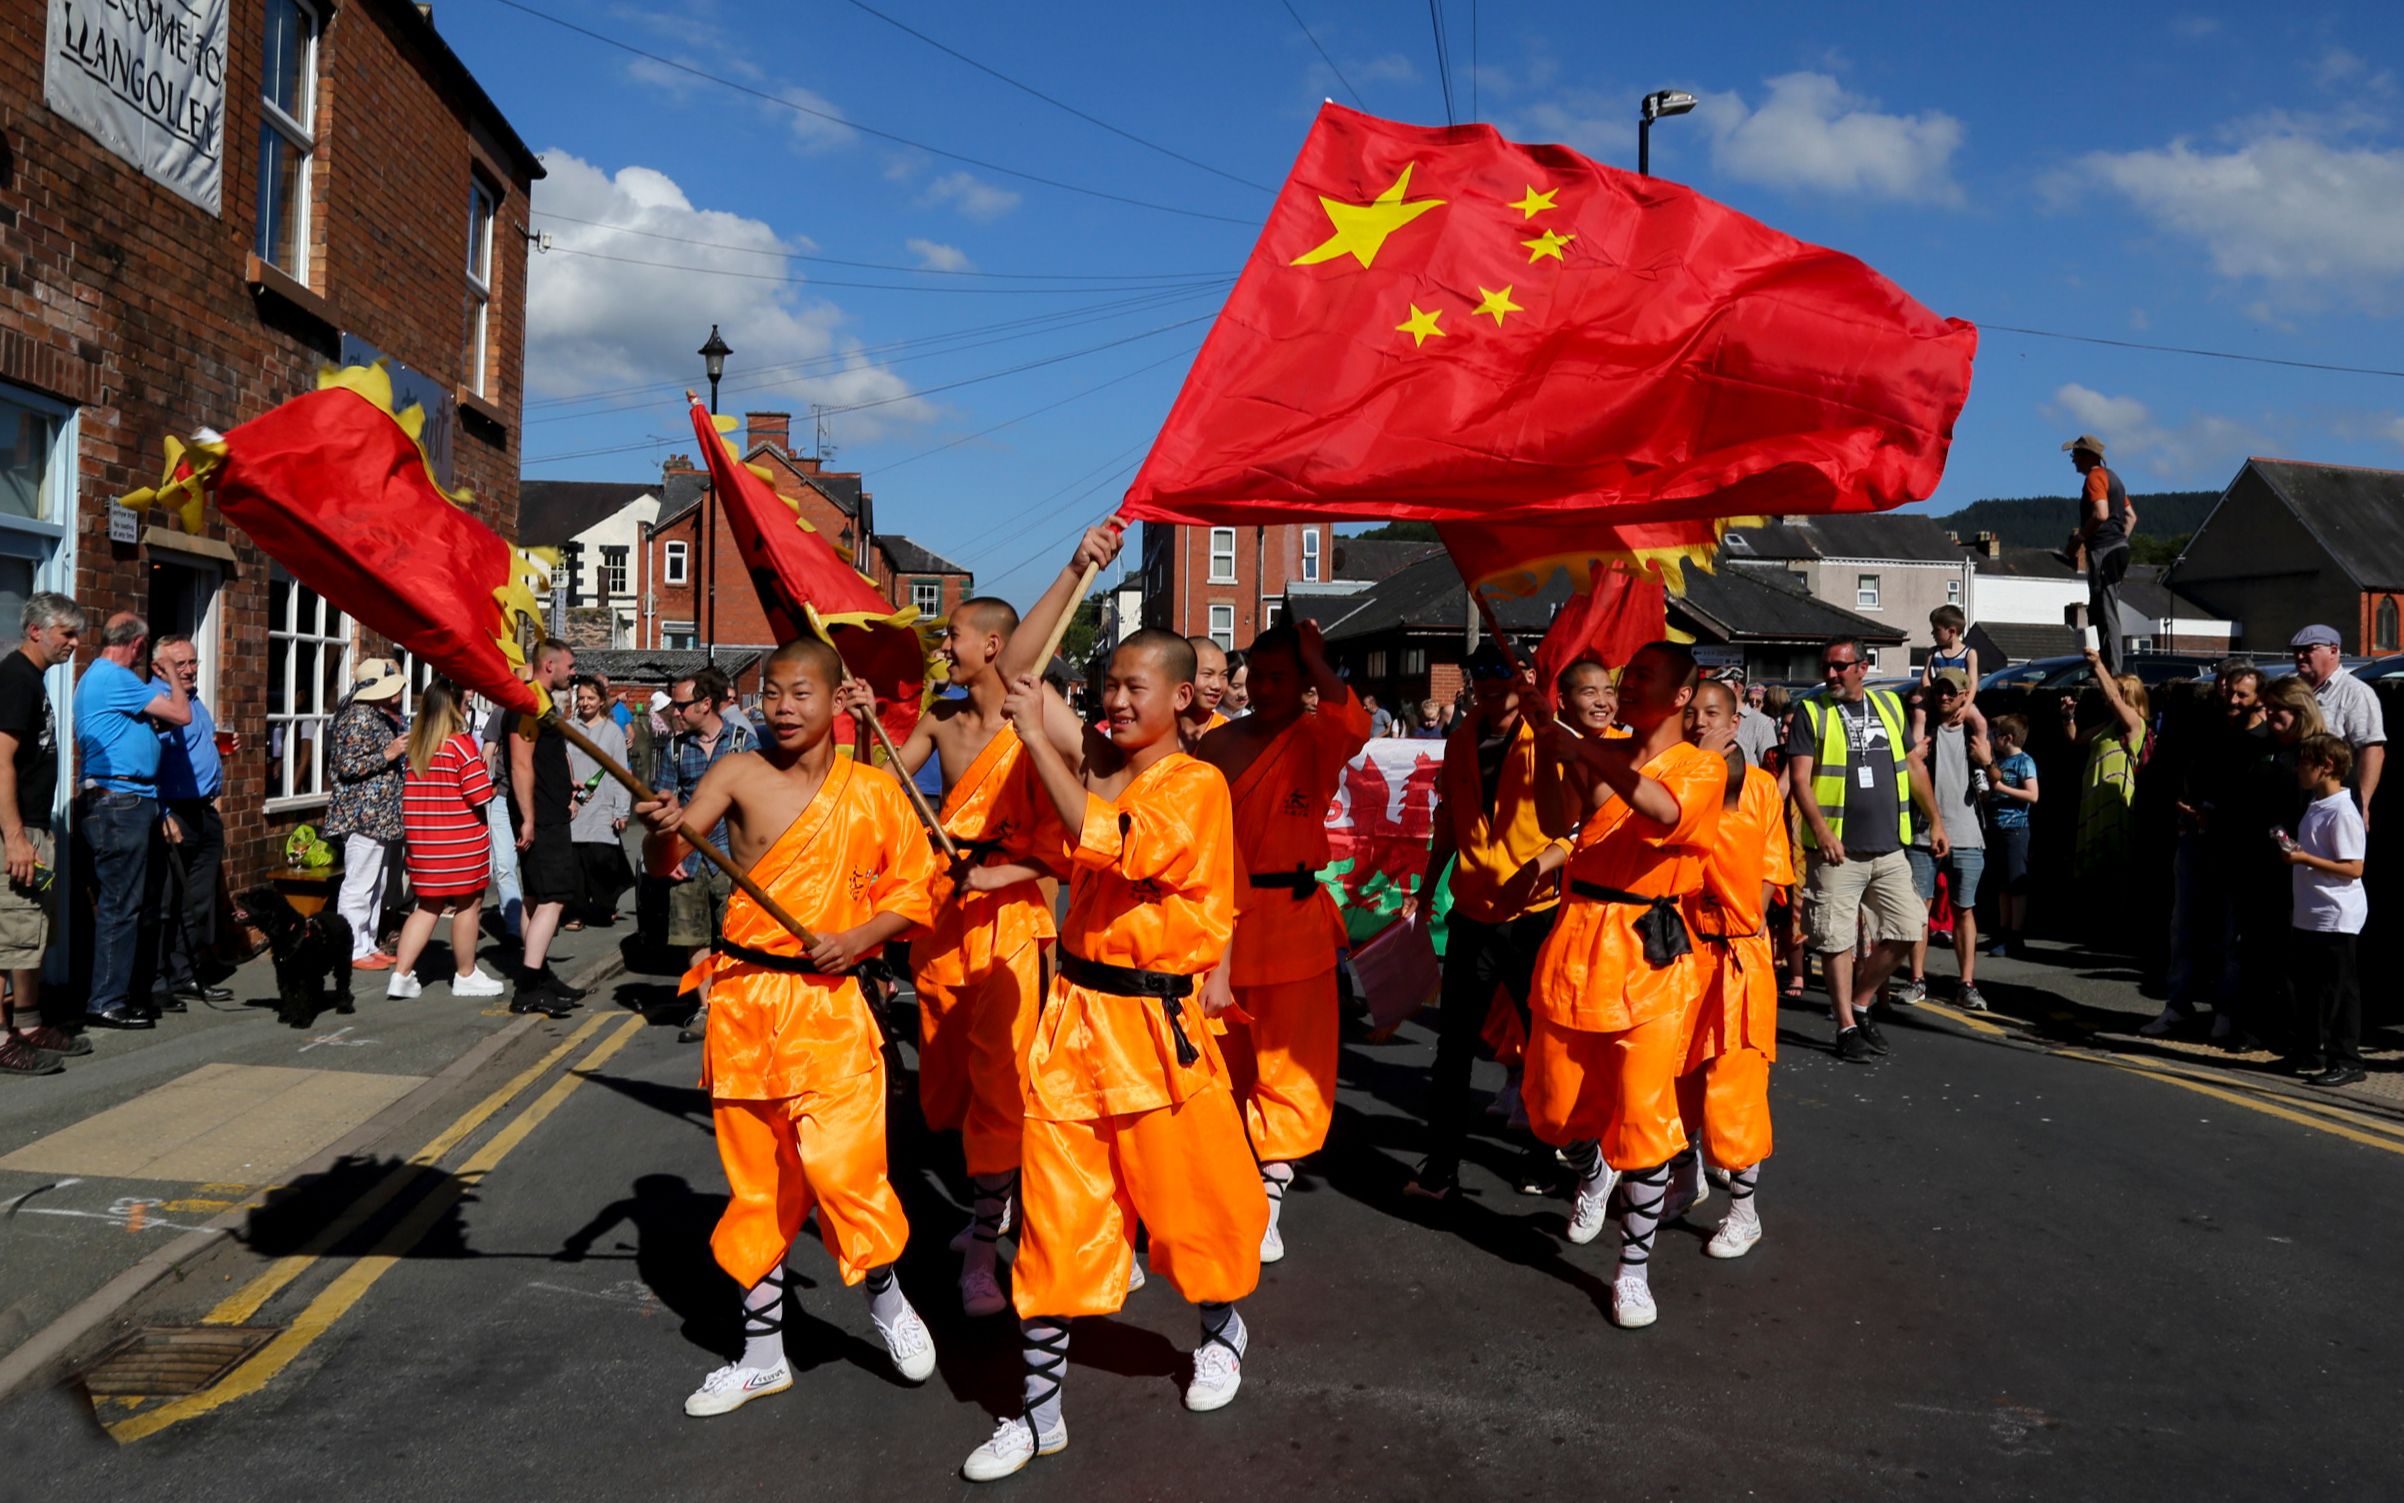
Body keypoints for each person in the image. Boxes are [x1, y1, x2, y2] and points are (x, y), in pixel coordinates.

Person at [959, 529, 1265, 1482]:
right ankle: (1036, 1408)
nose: (1116, 699)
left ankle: (1220, 1329)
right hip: (1074, 1022)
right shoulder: (1097, 756)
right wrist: (1080, 565)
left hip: (1158, 1033)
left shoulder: (1194, 785)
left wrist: (1032, 742)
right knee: (1055, 1218)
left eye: (1139, 686)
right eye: (1110, 684)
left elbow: (1100, 838)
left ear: (1186, 696)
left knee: (1187, 1215)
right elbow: (1014, 668)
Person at [634, 638, 941, 1421]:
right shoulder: (737, 771)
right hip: (745, 1001)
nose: (783, 707)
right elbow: (670, 855)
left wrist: (861, 937)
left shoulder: (872, 791)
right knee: (759, 1186)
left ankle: (886, 1296)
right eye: (772, 692)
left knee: (842, 1168)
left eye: (802, 693)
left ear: (838, 700)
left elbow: (916, 891)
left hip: (832, 1002)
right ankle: (762, 1354)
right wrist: (664, 827)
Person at [846, 593, 1080, 1319]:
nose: (941, 647)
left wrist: (1004, 874)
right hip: (945, 918)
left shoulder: (1036, 721)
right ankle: (999, 1194)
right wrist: (862, 726)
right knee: (945, 1085)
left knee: (1001, 1083)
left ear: (992, 646)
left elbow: (1080, 795)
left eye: (951, 636)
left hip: (1011, 918)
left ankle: (984, 1247)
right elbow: (880, 787)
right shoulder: (942, 720)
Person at [1519, 643, 1723, 1330]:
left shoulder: (1701, 765)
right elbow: (1557, 820)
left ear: (1684, 693)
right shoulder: (1599, 752)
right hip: (1575, 942)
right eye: (1621, 678)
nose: (1625, 688)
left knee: (1645, 1121)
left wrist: (1578, 742)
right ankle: (1592, 1165)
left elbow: (1661, 811)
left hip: (1649, 957)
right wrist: (1547, 744)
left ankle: (1631, 1269)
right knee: (1550, 1109)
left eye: (1641, 678)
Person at [1193, 621, 1370, 1263]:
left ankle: (1271, 1188)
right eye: (1257, 677)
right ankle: (1233, 1174)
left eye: (1280, 678)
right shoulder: (1216, 746)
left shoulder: (1316, 737)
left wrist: (1318, 661)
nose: (1264, 689)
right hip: (1224, 924)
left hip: (1292, 915)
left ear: (1302, 686)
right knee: (1226, 1057)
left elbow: (1354, 723)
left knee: (1290, 1061)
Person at [1404, 643, 1575, 1200]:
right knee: (1453, 1048)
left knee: (1544, 1044)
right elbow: (1450, 821)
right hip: (1473, 913)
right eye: (1480, 673)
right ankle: (1441, 1166)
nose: (1490, 683)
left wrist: (1542, 870)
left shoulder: (1550, 736)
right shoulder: (1459, 738)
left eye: (1502, 671)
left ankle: (1543, 1155)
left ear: (1525, 675)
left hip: (1533, 916)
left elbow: (1580, 825)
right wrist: (1427, 887)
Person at [1674, 678, 1792, 1261]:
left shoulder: (1762, 788)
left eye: (1711, 712)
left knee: (1737, 1083)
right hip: (1679, 950)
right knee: (1676, 1073)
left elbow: (1772, 870)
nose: (1699, 722)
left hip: (1738, 952)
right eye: (1690, 711)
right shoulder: (1672, 781)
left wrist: (1744, 920)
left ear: (1737, 717)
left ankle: (1744, 1210)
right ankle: (1683, 1174)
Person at [1785, 637, 1944, 1063]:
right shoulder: (1811, 711)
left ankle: (1860, 1001)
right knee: (1835, 940)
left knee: (1910, 927)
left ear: (1863, 666)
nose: (1831, 674)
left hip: (1889, 846)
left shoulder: (1890, 707)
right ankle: (1846, 1026)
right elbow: (1800, 780)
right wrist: (1822, 832)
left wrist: (1937, 820)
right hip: (1837, 850)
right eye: (1826, 667)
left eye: (1840, 666)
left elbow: (1913, 766)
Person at [74, 612, 191, 1030]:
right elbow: (183, 713)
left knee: (128, 904)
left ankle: (123, 993)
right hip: (120, 804)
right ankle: (105, 999)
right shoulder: (116, 677)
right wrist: (172, 673)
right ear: (140, 647)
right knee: (121, 906)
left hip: (127, 800)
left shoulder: (101, 678)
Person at [2146, 663, 2263, 1035]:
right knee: (2183, 927)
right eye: (2227, 691)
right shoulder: (2208, 727)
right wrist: (2184, 806)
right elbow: (2183, 772)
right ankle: (2177, 1005)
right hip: (2195, 839)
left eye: (2242, 694)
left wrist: (2215, 812)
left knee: (2232, 934)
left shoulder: (2262, 742)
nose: (2232, 699)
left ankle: (2226, 1014)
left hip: (2236, 846)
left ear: (2258, 698)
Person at [0, 594, 83, 1073]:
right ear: (37, 631)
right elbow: (0, 760)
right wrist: (14, 837)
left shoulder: (33, 679)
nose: (73, 643)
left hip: (33, 827)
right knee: (5, 935)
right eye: (66, 634)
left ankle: (28, 1023)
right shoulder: (15, 680)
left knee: (28, 931)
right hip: (15, 831)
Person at [388, 681, 509, 1002]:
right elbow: (478, 792)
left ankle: (401, 975)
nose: (468, 708)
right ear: (452, 707)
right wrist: (491, 784)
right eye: (466, 703)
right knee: (468, 904)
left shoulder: (419, 744)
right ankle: (466, 974)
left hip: (424, 840)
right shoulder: (460, 744)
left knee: (427, 905)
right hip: (459, 840)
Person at [662, 666, 755, 1037]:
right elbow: (666, 801)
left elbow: (756, 803)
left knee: (734, 936)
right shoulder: (674, 748)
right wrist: (668, 854)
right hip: (688, 859)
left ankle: (736, 1003)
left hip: (730, 856)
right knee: (693, 938)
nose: (675, 712)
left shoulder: (741, 744)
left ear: (705, 703)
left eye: (682, 705)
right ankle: (706, 1008)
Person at [1897, 669, 1990, 1011]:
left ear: (1965, 695)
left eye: (1952, 692)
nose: (1945, 697)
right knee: (1918, 911)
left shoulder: (1974, 730)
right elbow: (1912, 752)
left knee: (1964, 910)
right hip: (1923, 833)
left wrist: (1988, 761)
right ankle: (1917, 980)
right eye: (1940, 691)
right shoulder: (1926, 732)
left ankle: (1966, 983)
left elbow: (1989, 768)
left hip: (1966, 834)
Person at [151, 635, 234, 1010]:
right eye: (178, 664)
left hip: (203, 810)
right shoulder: (154, 702)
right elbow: (145, 764)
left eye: (192, 662)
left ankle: (186, 975)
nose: (188, 670)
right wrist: (163, 814)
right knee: (165, 901)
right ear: (157, 667)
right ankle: (157, 981)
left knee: (196, 901)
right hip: (174, 813)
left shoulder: (194, 699)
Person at [2282, 734, 2367, 1087]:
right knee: (2309, 988)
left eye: (2304, 763)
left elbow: (2353, 868)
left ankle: (2346, 1058)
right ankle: (2308, 1050)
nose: (2298, 769)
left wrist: (2303, 858)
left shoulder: (2343, 812)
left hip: (2335, 915)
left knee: (2338, 991)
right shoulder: (2316, 805)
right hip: (2310, 912)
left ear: (2326, 766)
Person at [504, 640, 586, 1004]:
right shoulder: (527, 703)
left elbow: (545, 758)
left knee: (536, 897)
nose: (574, 672)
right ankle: (528, 985)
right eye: (569, 665)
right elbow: (521, 763)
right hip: (542, 814)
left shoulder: (541, 701)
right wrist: (529, 819)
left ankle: (538, 974)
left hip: (547, 808)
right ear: (549, 665)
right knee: (554, 898)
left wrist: (568, 786)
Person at [323, 658, 407, 972]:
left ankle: (367, 942)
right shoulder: (358, 716)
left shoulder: (379, 715)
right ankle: (352, 947)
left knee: (377, 883)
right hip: (362, 814)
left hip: (380, 815)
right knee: (359, 884)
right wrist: (389, 753)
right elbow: (346, 766)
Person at [2071, 650, 2149, 941]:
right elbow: (2076, 739)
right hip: (2094, 800)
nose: (2107, 696)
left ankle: (2118, 927)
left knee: (2116, 865)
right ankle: (2097, 923)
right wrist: (2068, 716)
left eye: (2114, 691)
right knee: (2096, 867)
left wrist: (2097, 664)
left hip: (2115, 803)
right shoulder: (2109, 726)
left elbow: (2115, 700)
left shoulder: (2135, 725)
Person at [2288, 624, 2385, 828]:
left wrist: (2362, 804)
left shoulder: (2355, 692)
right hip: (2290, 794)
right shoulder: (2290, 687)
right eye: (2296, 651)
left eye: (2308, 650)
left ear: (2333, 650)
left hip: (2332, 799)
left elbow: (2372, 750)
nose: (2300, 656)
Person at [2063, 433, 2136, 676]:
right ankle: (2101, 668)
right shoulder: (2113, 478)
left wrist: (2080, 538)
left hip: (2104, 550)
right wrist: (2120, 540)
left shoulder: (2095, 478)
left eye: (2075, 455)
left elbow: (2101, 513)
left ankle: (2112, 673)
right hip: (2116, 548)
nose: (2073, 460)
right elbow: (2131, 517)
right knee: (2098, 609)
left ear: (2087, 455)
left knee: (2106, 610)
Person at [565, 677, 631, 931]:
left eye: (590, 698)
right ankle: (575, 912)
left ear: (602, 701)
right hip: (573, 805)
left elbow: (620, 773)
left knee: (601, 859)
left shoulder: (613, 731)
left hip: (603, 802)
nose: (585, 703)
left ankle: (605, 904)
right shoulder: (569, 728)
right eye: (581, 698)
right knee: (575, 862)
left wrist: (621, 810)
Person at [1971, 714, 2040, 960]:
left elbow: (2033, 796)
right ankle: (2002, 931)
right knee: (2001, 885)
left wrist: (2001, 788)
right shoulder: (1998, 762)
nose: (1992, 740)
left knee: (2016, 885)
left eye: (1996, 736)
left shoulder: (2024, 762)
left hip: (2016, 830)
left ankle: (2016, 934)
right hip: (1996, 829)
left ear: (2007, 738)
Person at [478, 696, 524, 944]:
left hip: (536, 800)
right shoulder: (500, 713)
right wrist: (481, 788)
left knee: (532, 867)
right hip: (502, 797)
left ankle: (538, 922)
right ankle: (514, 928)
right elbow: (487, 752)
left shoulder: (547, 713)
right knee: (504, 865)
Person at [1722, 669, 1778, 769]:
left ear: (1735, 686)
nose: (1716, 688)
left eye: (1721, 684)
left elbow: (1770, 769)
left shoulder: (1762, 723)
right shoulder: (1716, 718)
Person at [1182, 635, 1232, 747]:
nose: (1217, 686)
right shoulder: (1158, 727)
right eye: (1208, 674)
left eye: (1224, 675)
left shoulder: (1228, 733)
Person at [1222, 650, 1249, 718]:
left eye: (1248, 685)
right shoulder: (1206, 720)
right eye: (1235, 686)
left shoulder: (1255, 719)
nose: (1243, 694)